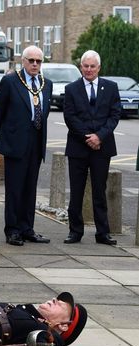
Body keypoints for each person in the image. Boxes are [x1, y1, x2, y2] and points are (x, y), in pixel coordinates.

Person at [63, 50, 121, 245]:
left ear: (99, 68)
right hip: (78, 147)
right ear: (81, 67)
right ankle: (75, 231)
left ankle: (102, 233)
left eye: (92, 66)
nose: (89, 69)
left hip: (102, 147)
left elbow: (114, 115)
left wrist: (99, 136)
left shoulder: (111, 88)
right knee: (76, 192)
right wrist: (87, 137)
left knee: (99, 191)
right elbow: (70, 117)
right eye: (85, 66)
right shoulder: (71, 89)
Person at [0, 46, 53, 246]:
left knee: (30, 188)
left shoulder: (46, 84)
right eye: (31, 60)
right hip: (16, 143)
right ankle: (12, 230)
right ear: (23, 61)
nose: (35, 64)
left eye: (39, 61)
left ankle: (27, 228)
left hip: (36, 142)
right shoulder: (10, 81)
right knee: (15, 189)